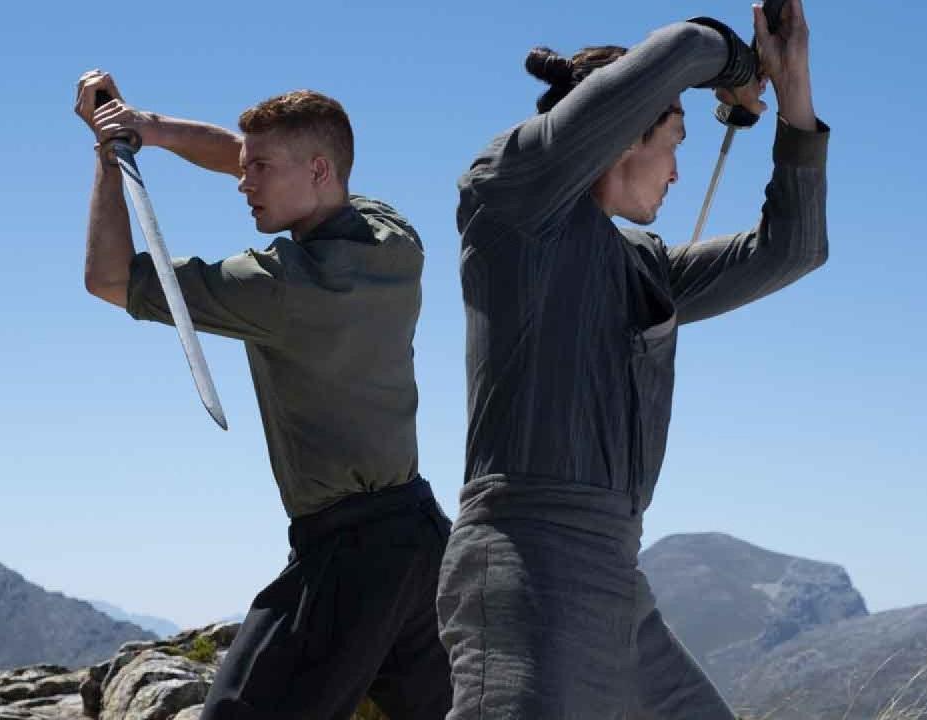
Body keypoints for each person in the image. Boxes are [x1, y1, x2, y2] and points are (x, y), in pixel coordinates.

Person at [435, 1, 828, 717]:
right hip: (531, 570)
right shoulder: (512, 200)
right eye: (673, 141)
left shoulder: (642, 265)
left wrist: (792, 88)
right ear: (622, 137)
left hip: (618, 579)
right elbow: (685, 45)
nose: (678, 172)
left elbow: (791, 249)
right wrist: (741, 69)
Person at [74, 72, 452, 720]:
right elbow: (245, 159)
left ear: (317, 168)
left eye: (260, 170)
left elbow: (108, 278)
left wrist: (110, 159)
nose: (243, 181)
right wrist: (150, 127)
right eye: (246, 168)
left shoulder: (279, 288)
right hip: (421, 542)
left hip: (347, 556)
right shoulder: (394, 239)